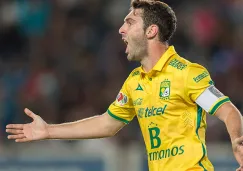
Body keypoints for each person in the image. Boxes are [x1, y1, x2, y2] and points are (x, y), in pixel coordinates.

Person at [6, 0, 243, 170]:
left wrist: (237, 142)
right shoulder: (134, 82)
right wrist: (49, 131)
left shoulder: (187, 73)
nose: (121, 29)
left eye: (129, 22)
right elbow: (107, 124)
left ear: (151, 31)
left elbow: (228, 111)